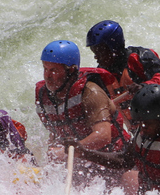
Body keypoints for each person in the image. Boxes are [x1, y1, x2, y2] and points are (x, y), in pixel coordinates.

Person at [35, 40, 129, 187]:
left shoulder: (91, 92)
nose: (47, 76)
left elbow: (103, 135)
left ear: (71, 70)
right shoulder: (44, 95)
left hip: (113, 159)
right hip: (82, 163)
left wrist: (67, 152)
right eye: (45, 69)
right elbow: (56, 133)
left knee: (131, 182)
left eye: (54, 70)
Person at [86, 20, 160, 117]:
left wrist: (144, 88)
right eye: (94, 53)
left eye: (100, 52)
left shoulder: (141, 56)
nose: (96, 57)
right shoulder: (101, 75)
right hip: (139, 129)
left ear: (113, 48)